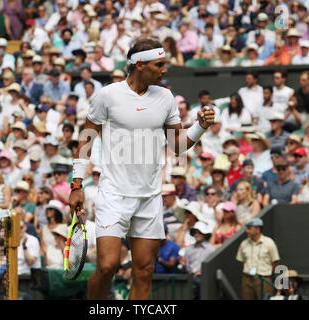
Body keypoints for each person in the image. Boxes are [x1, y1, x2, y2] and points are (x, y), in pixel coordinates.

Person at [68, 38, 215, 300]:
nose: (164, 69)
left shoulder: (166, 97)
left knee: (145, 270)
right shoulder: (108, 95)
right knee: (107, 265)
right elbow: (86, 137)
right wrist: (77, 184)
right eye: (159, 64)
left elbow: (178, 145)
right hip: (114, 194)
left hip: (149, 198)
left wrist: (200, 126)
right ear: (139, 65)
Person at [236, 218, 280, 300]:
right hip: (247, 279)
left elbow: (275, 261)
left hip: (263, 279)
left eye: (250, 228)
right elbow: (242, 261)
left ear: (258, 229)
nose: (247, 231)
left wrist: (267, 274)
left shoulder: (269, 242)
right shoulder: (244, 243)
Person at [184, 221, 215, 300]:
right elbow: (187, 266)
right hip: (190, 277)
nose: (196, 235)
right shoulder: (188, 249)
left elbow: (213, 266)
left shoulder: (211, 249)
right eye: (195, 232)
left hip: (204, 278)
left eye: (199, 233)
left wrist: (202, 272)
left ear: (205, 235)